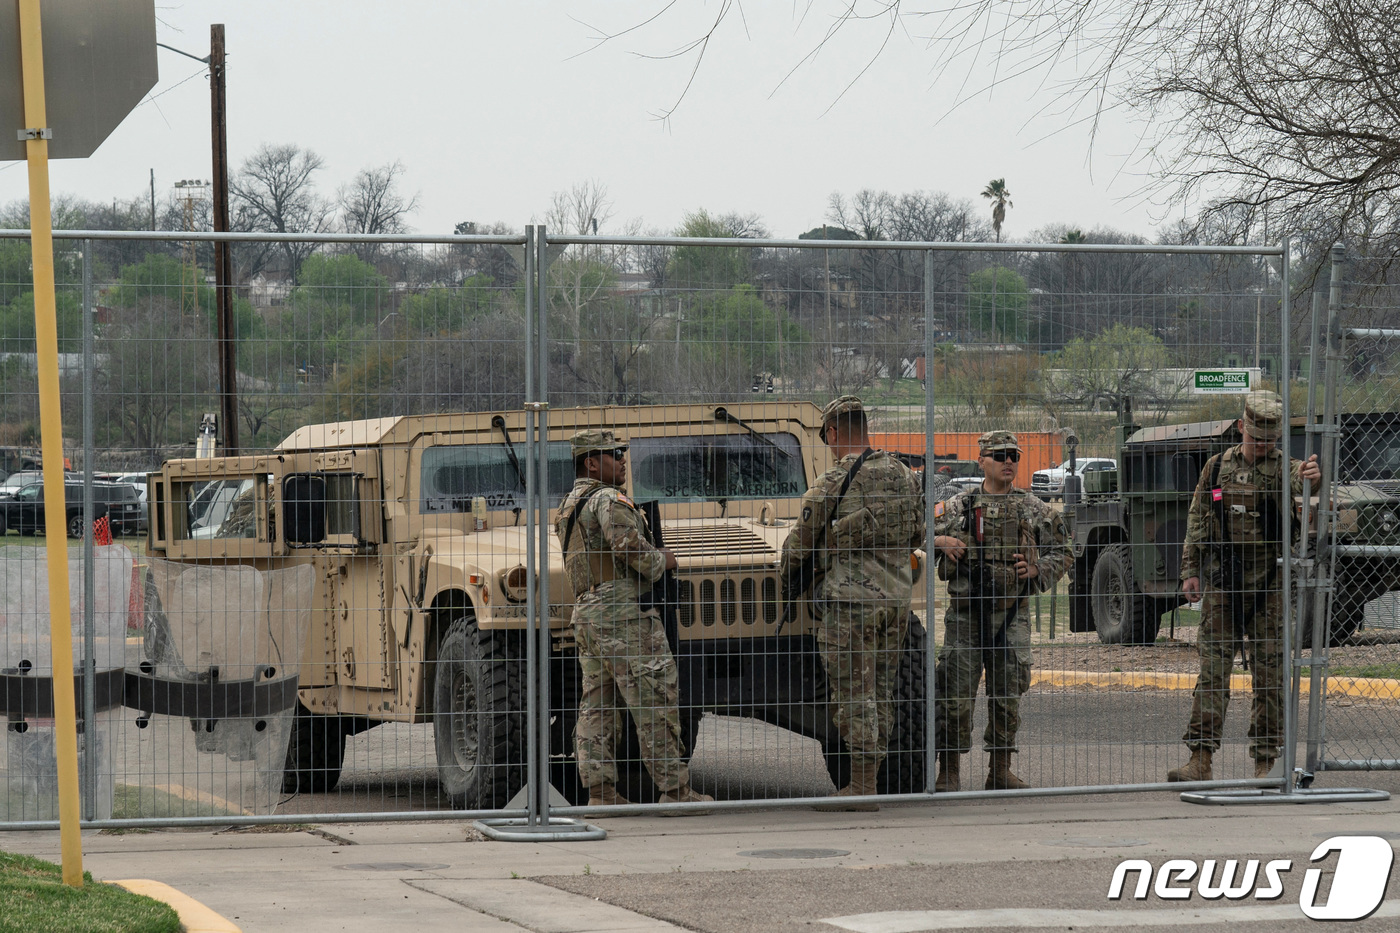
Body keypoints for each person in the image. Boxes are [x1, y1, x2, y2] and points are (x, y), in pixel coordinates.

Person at [555, 429, 713, 813]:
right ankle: (675, 792)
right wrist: (664, 560)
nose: (623, 460)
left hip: (589, 615)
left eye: (622, 452)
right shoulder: (608, 499)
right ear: (591, 463)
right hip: (623, 615)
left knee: (598, 707)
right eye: (613, 454)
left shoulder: (569, 504)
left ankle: (601, 793)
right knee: (655, 698)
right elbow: (628, 548)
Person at [779, 396, 925, 811]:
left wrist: (789, 579)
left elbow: (797, 548)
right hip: (895, 603)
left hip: (850, 607)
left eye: (827, 436)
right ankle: (871, 782)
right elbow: (917, 533)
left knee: (853, 695)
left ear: (835, 432)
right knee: (881, 692)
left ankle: (861, 788)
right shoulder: (903, 475)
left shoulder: (831, 483)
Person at [1168, 390, 1320, 782]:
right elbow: (1199, 517)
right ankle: (1200, 759)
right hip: (1224, 583)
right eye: (1256, 437)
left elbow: (1308, 491)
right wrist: (1191, 570)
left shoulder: (1288, 469)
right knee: (1213, 672)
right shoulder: (1217, 467)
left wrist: (1312, 483)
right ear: (1241, 427)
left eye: (1270, 439)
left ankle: (1265, 763)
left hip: (1269, 585)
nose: (1263, 445)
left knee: (1269, 676)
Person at [931, 430, 1071, 791]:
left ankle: (1000, 769)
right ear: (982, 461)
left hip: (1011, 617)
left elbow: (1065, 551)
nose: (1009, 461)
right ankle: (948, 771)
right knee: (954, 696)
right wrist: (940, 541)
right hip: (965, 618)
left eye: (1015, 456)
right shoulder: (958, 507)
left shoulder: (1033, 508)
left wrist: (1038, 570)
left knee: (1008, 695)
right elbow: (915, 534)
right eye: (1000, 454)